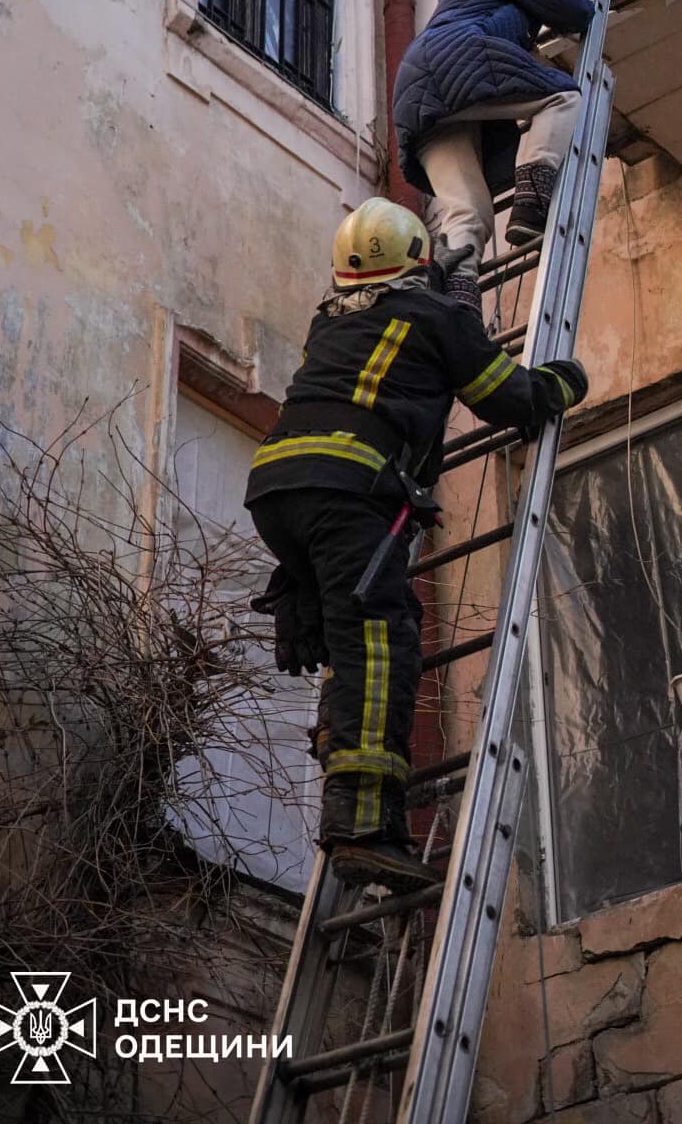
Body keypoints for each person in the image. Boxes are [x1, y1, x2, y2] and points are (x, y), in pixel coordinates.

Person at [244, 196, 589, 892]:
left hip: (279, 487)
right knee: (380, 636)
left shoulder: (328, 321)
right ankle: (364, 826)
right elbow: (507, 395)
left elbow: (390, 348)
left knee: (350, 631)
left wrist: (446, 304)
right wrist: (561, 381)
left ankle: (341, 751)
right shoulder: (435, 317)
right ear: (421, 264)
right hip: (350, 487)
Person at [392, 0, 595, 316]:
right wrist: (592, 6)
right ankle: (531, 203)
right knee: (563, 99)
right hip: (456, 58)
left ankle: (459, 307)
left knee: (468, 210)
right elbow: (570, 11)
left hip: (415, 89)